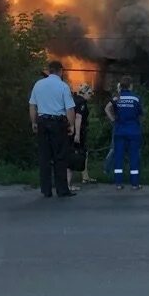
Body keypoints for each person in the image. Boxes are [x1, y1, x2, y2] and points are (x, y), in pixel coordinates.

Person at [28, 60, 77, 198]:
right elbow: (70, 109)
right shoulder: (63, 86)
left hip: (42, 123)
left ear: (49, 70)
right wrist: (71, 125)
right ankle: (62, 190)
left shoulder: (38, 85)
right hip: (58, 124)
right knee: (60, 157)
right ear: (60, 71)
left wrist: (34, 122)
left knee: (44, 158)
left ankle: (46, 190)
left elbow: (32, 106)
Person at [105, 76, 143, 189]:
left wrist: (113, 120)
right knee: (134, 157)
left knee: (118, 156)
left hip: (119, 130)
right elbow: (140, 113)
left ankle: (118, 184)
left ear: (121, 86)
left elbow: (107, 108)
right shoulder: (136, 98)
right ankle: (135, 184)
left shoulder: (117, 98)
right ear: (130, 85)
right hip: (133, 131)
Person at [67, 83, 95, 190]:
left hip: (70, 130)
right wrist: (77, 134)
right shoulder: (82, 102)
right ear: (84, 93)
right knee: (78, 153)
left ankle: (85, 176)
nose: (91, 95)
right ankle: (71, 182)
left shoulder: (73, 100)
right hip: (78, 131)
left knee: (82, 152)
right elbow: (78, 117)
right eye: (89, 93)